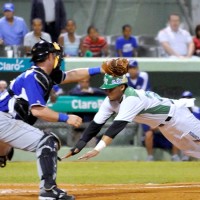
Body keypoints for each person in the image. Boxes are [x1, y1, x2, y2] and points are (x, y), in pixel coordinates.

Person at [0, 39, 105, 199]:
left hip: (6, 122)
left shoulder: (42, 75)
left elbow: (72, 75)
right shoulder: (34, 76)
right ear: (48, 56)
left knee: (5, 149)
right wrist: (66, 117)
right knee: (48, 141)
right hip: (4, 120)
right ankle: (48, 191)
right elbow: (38, 111)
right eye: (55, 54)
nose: (58, 57)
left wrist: (101, 68)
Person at [63, 74, 200, 161]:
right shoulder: (109, 100)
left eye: (110, 88)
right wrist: (78, 146)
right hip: (165, 126)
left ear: (122, 87)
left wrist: (97, 149)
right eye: (106, 89)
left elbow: (115, 128)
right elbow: (95, 125)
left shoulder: (131, 98)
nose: (107, 91)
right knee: (190, 150)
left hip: (178, 115)